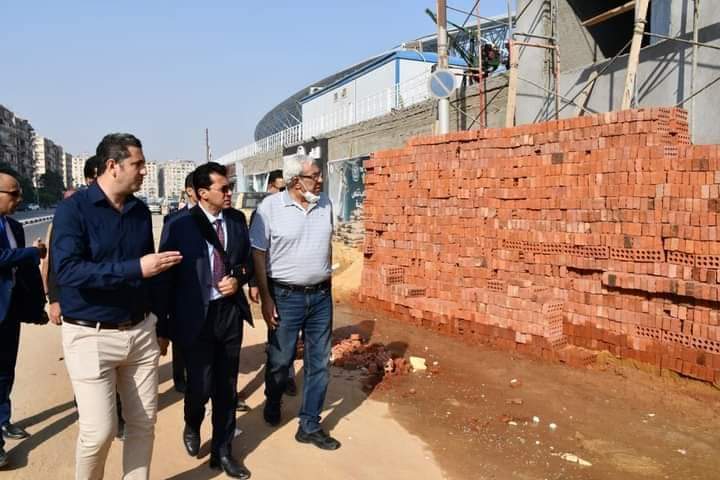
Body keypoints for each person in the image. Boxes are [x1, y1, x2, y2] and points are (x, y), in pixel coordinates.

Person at [52, 133, 182, 480]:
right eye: (138, 164)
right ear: (113, 166)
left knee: (143, 423)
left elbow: (151, 275)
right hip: (90, 335)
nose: (144, 171)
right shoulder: (73, 210)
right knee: (99, 431)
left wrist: (160, 326)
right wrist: (134, 268)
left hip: (140, 332)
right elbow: (67, 270)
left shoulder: (139, 211)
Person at [157, 162, 253, 479]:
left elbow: (247, 263)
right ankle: (192, 422)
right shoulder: (179, 225)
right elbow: (165, 278)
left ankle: (223, 451)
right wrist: (162, 328)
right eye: (223, 188)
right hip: (195, 317)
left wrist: (238, 279)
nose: (229, 193)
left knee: (226, 387)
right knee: (199, 386)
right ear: (202, 193)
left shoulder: (236, 220)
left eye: (230, 187)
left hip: (228, 314)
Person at [250, 153, 340, 450]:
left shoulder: (325, 204)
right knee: (280, 361)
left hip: (321, 297)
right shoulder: (269, 208)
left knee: (319, 363)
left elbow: (327, 245)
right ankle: (272, 399)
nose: (321, 179)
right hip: (285, 297)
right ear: (295, 181)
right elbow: (258, 254)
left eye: (319, 174)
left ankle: (309, 424)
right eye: (314, 175)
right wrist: (266, 298)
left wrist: (325, 279)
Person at [0, 171, 47, 469]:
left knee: (6, 370)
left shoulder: (15, 226)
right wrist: (31, 252)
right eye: (13, 194)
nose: (19, 199)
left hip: (10, 312)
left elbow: (25, 272)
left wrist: (37, 306)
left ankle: (3, 420)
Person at [162, 171, 197, 394]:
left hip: (208, 290)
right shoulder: (173, 220)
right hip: (181, 288)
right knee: (181, 338)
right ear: (190, 191)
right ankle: (180, 376)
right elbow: (165, 259)